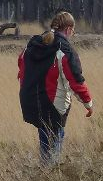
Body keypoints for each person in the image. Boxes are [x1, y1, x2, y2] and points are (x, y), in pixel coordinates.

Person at [18, 11, 94, 165]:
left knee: (45, 142)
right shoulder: (64, 49)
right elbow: (76, 81)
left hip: (30, 101)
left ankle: (44, 176)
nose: (72, 34)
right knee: (52, 153)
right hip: (53, 106)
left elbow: (21, 68)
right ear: (68, 29)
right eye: (73, 31)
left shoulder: (34, 44)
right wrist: (89, 104)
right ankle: (49, 180)